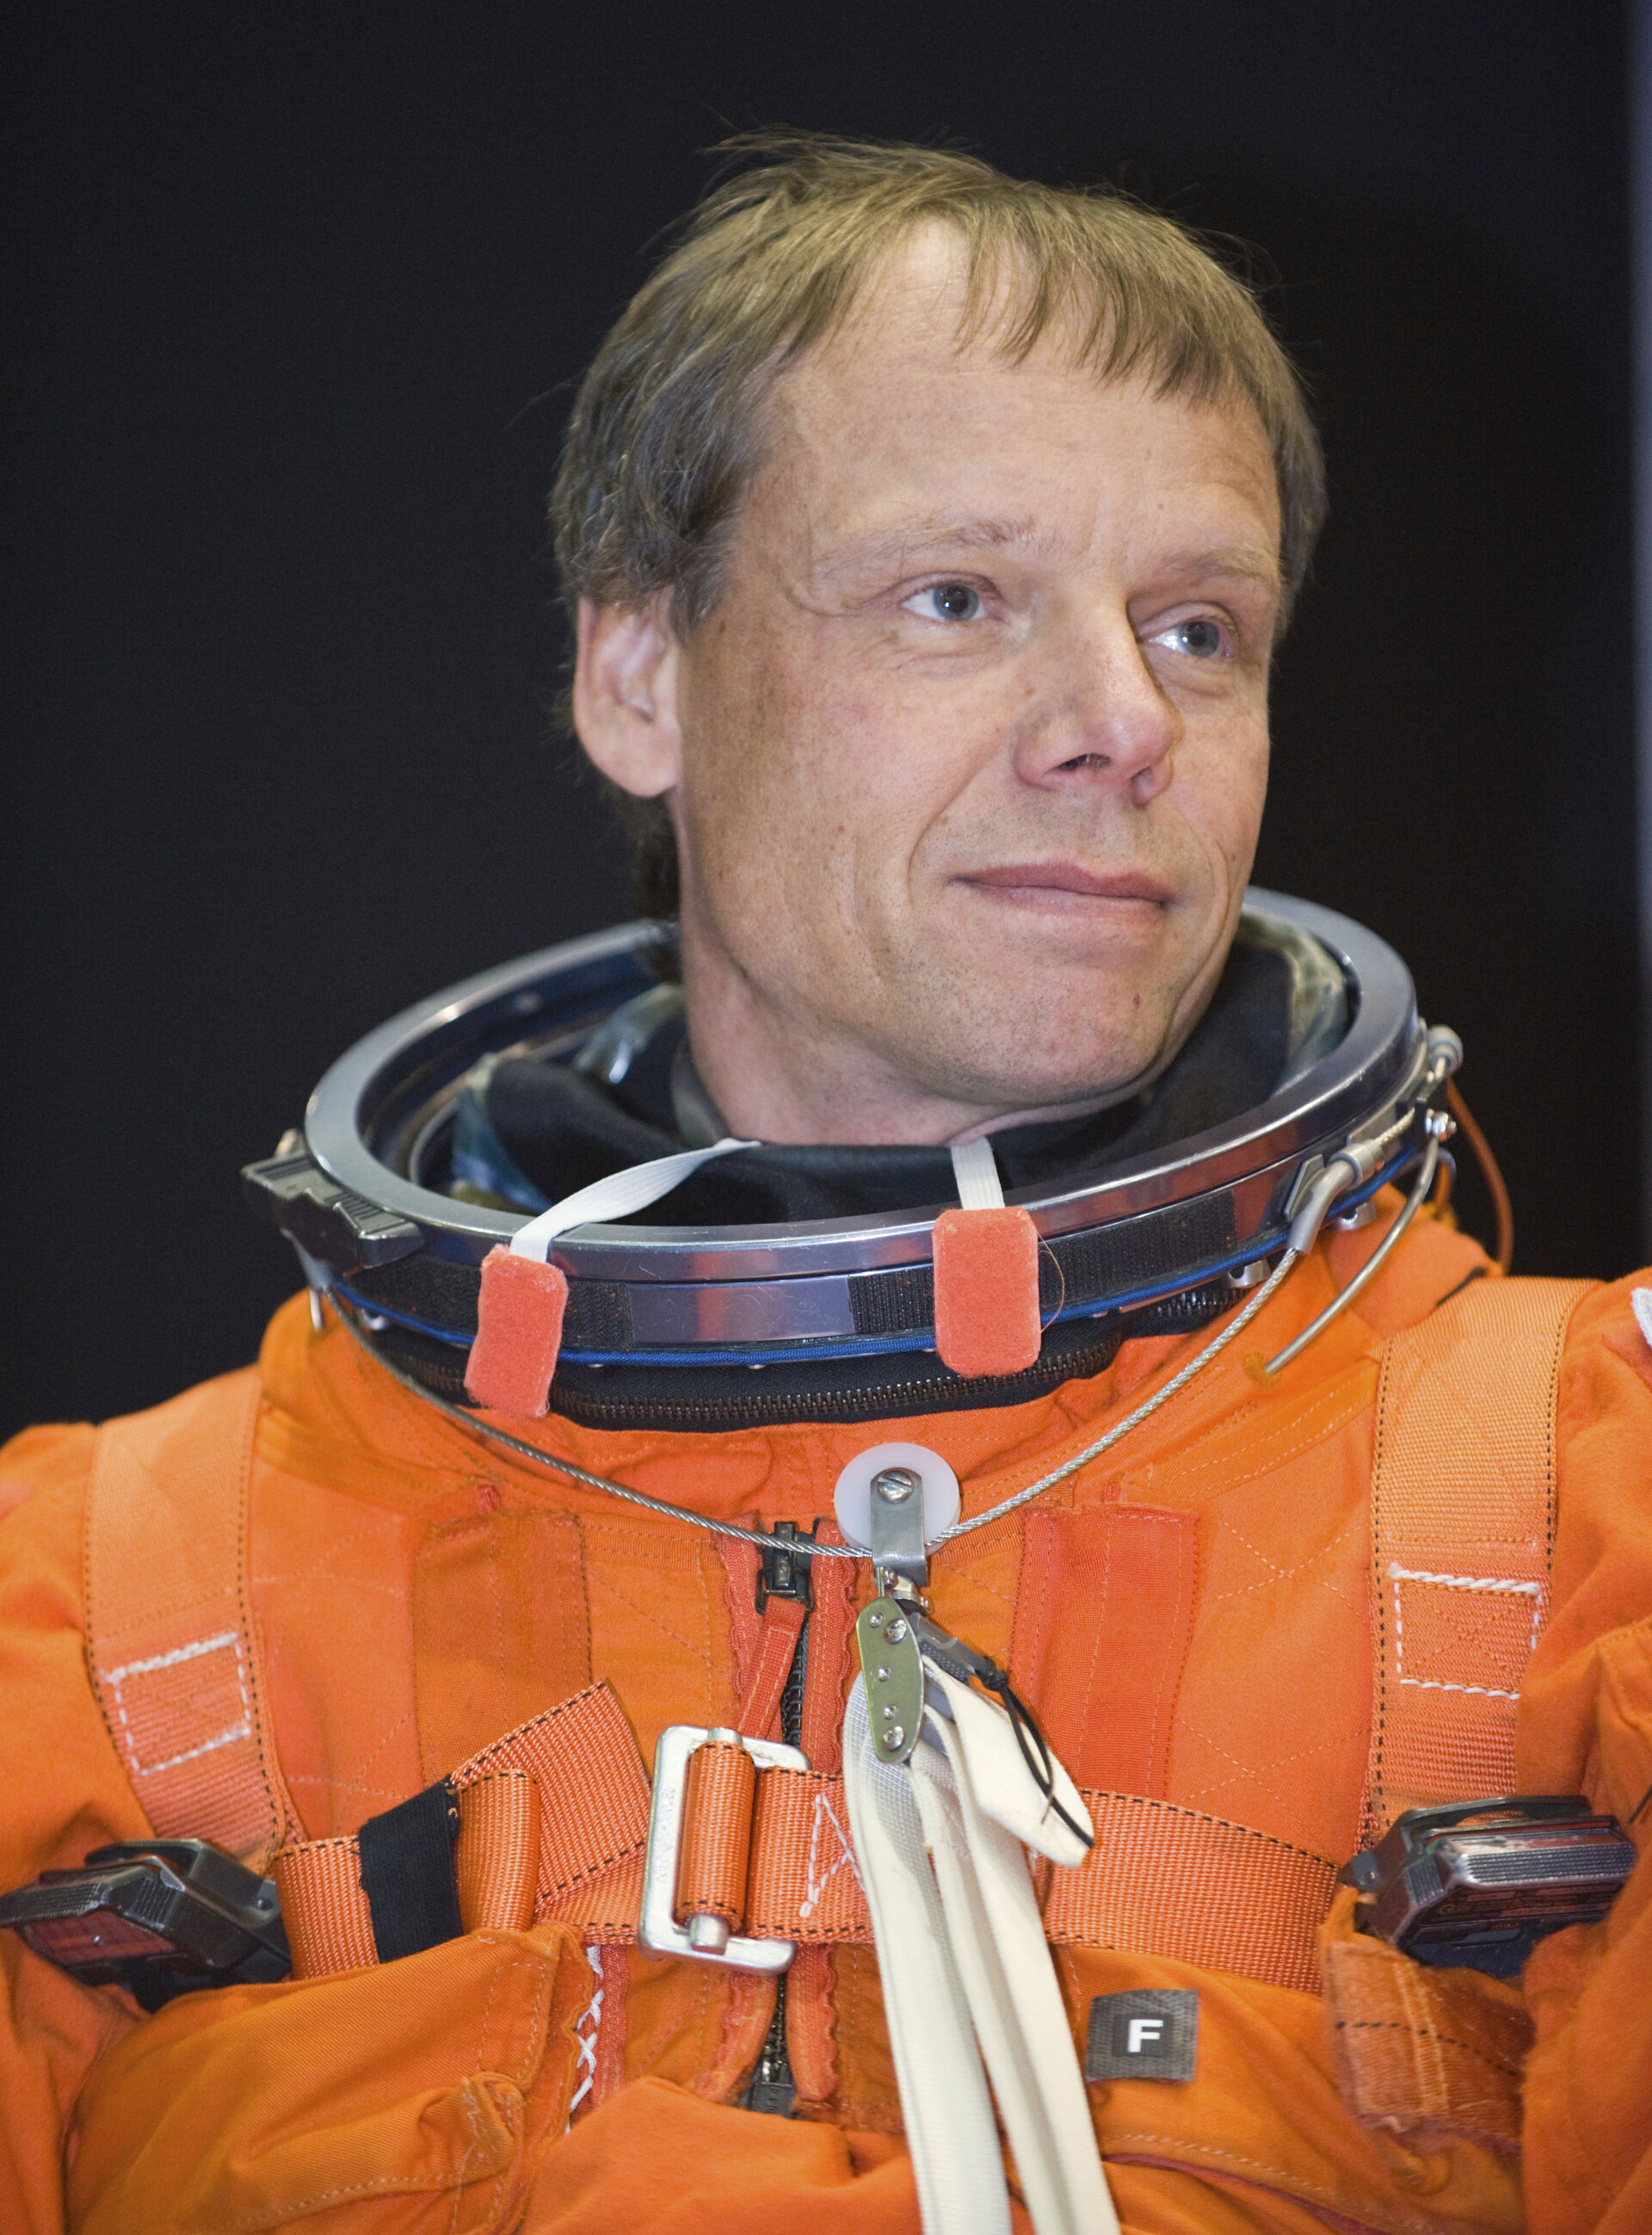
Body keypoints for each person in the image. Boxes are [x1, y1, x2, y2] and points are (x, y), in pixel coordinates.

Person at [0, 136, 1646, 2235]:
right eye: (955, 598)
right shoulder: (112, 1625)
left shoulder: (1586, 1520)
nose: (1122, 721)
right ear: (640, 678)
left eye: (1201, 628)